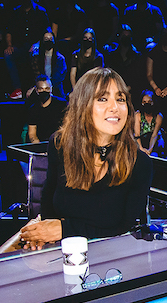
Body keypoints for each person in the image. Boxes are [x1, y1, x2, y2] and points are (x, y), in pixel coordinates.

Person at [20, 68, 153, 249]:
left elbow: (124, 227)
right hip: (60, 249)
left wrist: (65, 230)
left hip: (109, 253)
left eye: (120, 99)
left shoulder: (140, 163)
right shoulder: (59, 144)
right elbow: (48, 198)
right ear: (83, 105)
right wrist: (45, 232)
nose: (115, 107)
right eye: (103, 99)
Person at [26, 74, 68, 143]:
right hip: (42, 144)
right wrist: (39, 146)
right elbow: (32, 134)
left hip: (60, 142)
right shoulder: (33, 109)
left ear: (51, 89)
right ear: (36, 90)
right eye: (41, 89)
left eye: (47, 88)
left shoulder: (62, 105)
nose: (44, 91)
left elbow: (68, 127)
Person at [29, 29, 68, 98]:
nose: (48, 41)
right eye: (46, 39)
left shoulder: (60, 59)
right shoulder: (36, 57)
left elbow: (58, 77)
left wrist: (49, 87)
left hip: (55, 88)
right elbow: (36, 75)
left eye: (50, 39)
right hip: (40, 87)